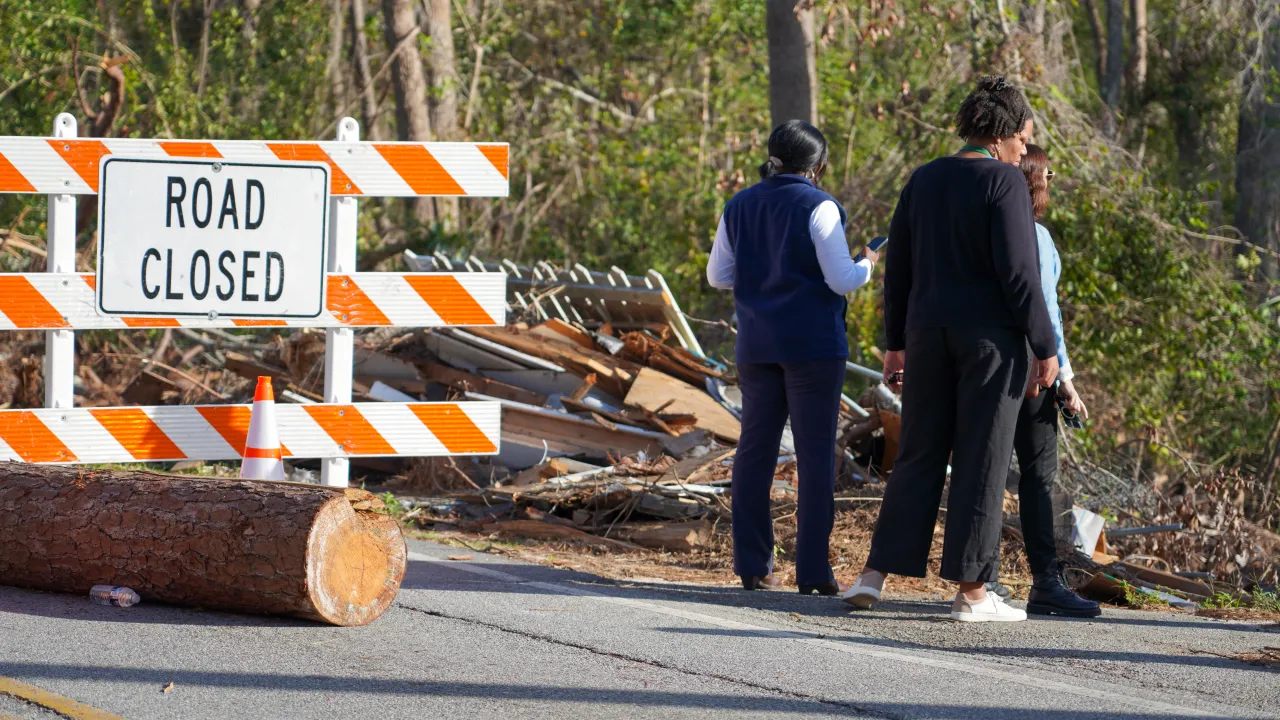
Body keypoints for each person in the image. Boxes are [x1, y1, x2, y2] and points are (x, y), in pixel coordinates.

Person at [842, 76, 1059, 622]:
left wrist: (896, 346)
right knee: (981, 457)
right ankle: (972, 594)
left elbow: (900, 268)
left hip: (927, 335)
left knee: (918, 452)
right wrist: (1045, 344)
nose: (1023, 150)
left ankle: (873, 576)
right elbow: (1019, 273)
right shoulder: (1005, 183)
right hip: (989, 342)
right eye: (1023, 139)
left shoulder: (924, 178)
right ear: (1005, 133)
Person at [707, 120, 878, 595]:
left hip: (757, 345)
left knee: (754, 452)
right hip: (812, 347)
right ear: (818, 167)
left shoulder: (738, 204)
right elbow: (842, 279)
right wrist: (869, 262)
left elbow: (718, 276)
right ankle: (813, 572)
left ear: (773, 157)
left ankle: (753, 566)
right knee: (815, 455)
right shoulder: (819, 205)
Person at [1010, 144, 1100, 618]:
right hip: (1032, 364)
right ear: (1035, 180)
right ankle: (1046, 579)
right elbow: (1046, 309)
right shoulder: (1037, 236)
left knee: (981, 472)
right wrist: (1063, 375)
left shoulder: (980, 229)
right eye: (1049, 174)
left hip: (979, 364)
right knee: (1039, 476)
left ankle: (976, 580)